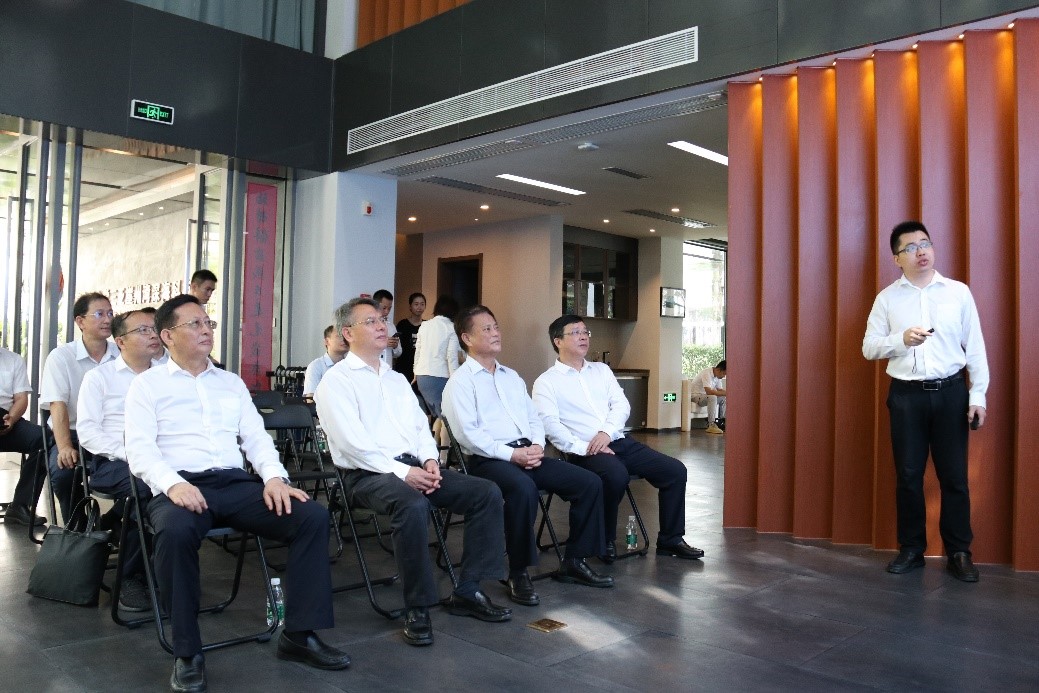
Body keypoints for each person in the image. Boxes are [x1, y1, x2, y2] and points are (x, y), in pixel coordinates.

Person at [125, 294, 348, 692]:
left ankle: (299, 635)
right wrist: (174, 484)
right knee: (175, 531)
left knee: (310, 516)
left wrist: (275, 478)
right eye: (194, 324)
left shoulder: (230, 384)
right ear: (168, 336)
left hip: (234, 483)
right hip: (179, 486)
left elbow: (257, 439)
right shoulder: (147, 386)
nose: (206, 329)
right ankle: (187, 652)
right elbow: (140, 451)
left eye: (208, 322)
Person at [316, 298, 511, 646]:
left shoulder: (394, 380)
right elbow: (352, 444)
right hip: (364, 475)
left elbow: (420, 427)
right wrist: (403, 473)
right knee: (412, 503)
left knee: (485, 493)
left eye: (381, 320)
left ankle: (468, 590)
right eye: (370, 322)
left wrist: (430, 460)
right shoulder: (336, 381)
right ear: (348, 333)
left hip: (413, 465)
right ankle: (417, 607)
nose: (382, 326)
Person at [443, 305, 612, 608]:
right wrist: (513, 455)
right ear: (467, 338)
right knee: (523, 489)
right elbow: (469, 435)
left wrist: (535, 446)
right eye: (486, 329)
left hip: (528, 452)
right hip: (489, 460)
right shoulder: (460, 382)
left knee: (589, 482)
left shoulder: (511, 377)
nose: (496, 333)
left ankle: (575, 560)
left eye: (496, 327)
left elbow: (534, 418)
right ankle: (518, 571)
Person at [863, 220, 988, 583]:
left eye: (925, 243)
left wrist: (977, 395)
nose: (921, 251)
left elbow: (975, 347)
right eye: (910, 247)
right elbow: (869, 347)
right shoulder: (887, 299)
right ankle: (911, 549)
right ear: (896, 258)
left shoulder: (957, 293)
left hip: (951, 393)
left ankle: (959, 552)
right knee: (908, 476)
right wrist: (901, 340)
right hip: (906, 397)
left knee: (955, 477)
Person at [533, 315, 705, 563]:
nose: (583, 337)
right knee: (615, 475)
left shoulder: (601, 371)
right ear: (557, 341)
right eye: (576, 332)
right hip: (583, 451)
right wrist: (587, 447)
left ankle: (671, 539)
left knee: (675, 471)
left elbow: (621, 405)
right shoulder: (546, 382)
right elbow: (550, 426)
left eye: (585, 332)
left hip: (619, 441)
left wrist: (605, 433)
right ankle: (604, 540)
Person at [76, 308, 165, 611]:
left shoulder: (166, 375)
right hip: (113, 462)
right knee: (147, 489)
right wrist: (132, 453)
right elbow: (88, 433)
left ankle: (117, 519)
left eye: (155, 329)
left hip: (160, 458)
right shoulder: (99, 378)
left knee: (179, 486)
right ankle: (130, 576)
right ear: (121, 341)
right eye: (143, 330)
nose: (153, 335)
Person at [39, 292, 120, 522]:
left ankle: (113, 522)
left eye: (110, 313)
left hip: (112, 433)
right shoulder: (61, 357)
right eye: (99, 314)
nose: (108, 319)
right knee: (64, 474)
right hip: (73, 434)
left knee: (139, 474)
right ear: (80, 321)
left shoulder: (121, 354)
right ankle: (77, 528)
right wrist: (64, 446)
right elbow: (58, 406)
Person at [0, 339, 46, 526]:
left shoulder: (13, 360)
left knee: (43, 439)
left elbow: (21, 399)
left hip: (6, 419)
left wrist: (11, 420)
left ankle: (20, 505)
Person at [413, 295, 461, 417]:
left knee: (438, 415)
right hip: (440, 377)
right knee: (447, 416)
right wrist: (455, 379)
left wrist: (415, 373)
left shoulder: (424, 325)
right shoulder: (451, 328)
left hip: (422, 377)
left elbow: (418, 351)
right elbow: (451, 357)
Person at [302, 325, 348, 400]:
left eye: (346, 335)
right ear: (327, 341)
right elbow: (310, 399)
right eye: (339, 336)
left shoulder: (351, 366)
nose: (344, 339)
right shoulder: (316, 366)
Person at [393, 292, 426, 383]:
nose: (419, 307)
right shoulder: (402, 324)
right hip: (403, 366)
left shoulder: (427, 325)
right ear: (410, 306)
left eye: (422, 304)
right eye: (416, 304)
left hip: (421, 367)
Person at [692, 360, 726, 434]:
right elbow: (709, 392)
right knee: (712, 397)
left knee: (724, 398)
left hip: (705, 397)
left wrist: (730, 394)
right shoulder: (706, 373)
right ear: (719, 369)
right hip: (696, 396)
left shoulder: (717, 377)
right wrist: (726, 393)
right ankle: (711, 425)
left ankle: (722, 421)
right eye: (724, 373)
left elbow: (720, 390)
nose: (724, 376)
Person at [372, 289, 402, 367]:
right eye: (384, 308)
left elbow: (398, 353)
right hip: (371, 368)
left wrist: (395, 346)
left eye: (389, 308)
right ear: (375, 305)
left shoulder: (391, 326)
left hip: (387, 368)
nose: (387, 312)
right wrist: (382, 343)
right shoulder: (367, 324)